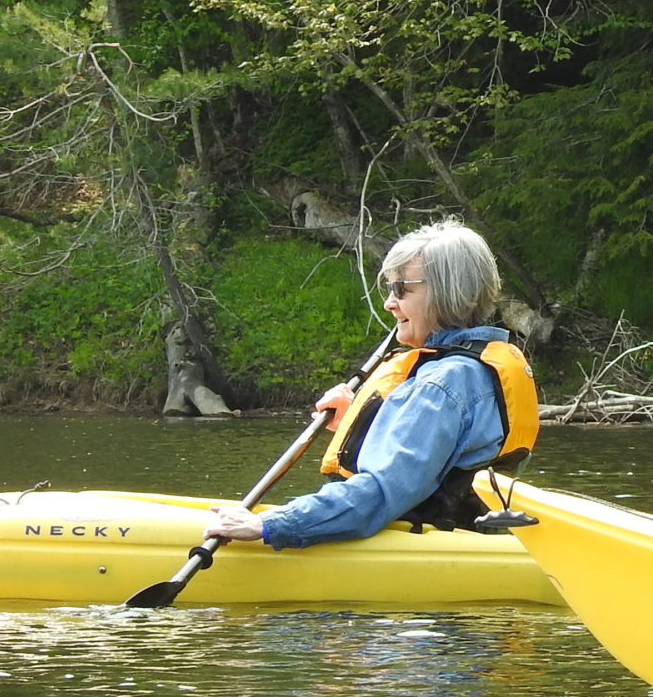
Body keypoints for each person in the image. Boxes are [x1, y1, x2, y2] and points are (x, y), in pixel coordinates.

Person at [203, 221, 538, 550]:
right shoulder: (467, 371)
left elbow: (379, 492)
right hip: (458, 536)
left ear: (447, 293)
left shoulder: (441, 385)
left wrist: (266, 525)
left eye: (401, 289)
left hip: (418, 547)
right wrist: (366, 419)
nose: (389, 304)